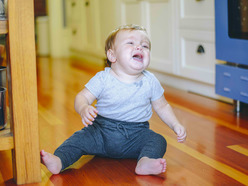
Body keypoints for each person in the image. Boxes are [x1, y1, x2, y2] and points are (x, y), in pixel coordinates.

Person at [41, 24, 187, 175]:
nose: (139, 47)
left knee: (158, 141)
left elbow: (162, 106)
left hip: (136, 135)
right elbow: (82, 96)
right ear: (112, 56)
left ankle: (144, 162)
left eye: (145, 45)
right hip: (101, 133)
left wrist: (175, 124)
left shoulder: (150, 81)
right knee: (78, 140)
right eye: (131, 43)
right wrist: (83, 107)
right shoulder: (103, 78)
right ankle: (59, 160)